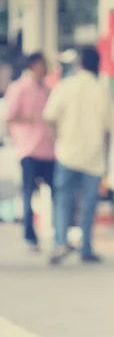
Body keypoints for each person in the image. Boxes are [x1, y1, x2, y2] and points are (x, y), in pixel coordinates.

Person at [43, 47, 114, 265]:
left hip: (67, 153)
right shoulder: (102, 90)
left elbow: (50, 117)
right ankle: (85, 247)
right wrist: (107, 157)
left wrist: (57, 140)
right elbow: (109, 128)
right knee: (88, 203)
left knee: (63, 200)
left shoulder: (66, 86)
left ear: (79, 64)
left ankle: (61, 243)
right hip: (94, 157)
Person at [4, 52, 55, 252]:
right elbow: (10, 117)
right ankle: (29, 236)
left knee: (56, 193)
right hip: (29, 149)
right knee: (28, 194)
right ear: (33, 66)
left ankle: (60, 235)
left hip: (48, 149)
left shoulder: (47, 89)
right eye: (42, 65)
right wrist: (32, 117)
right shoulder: (19, 88)